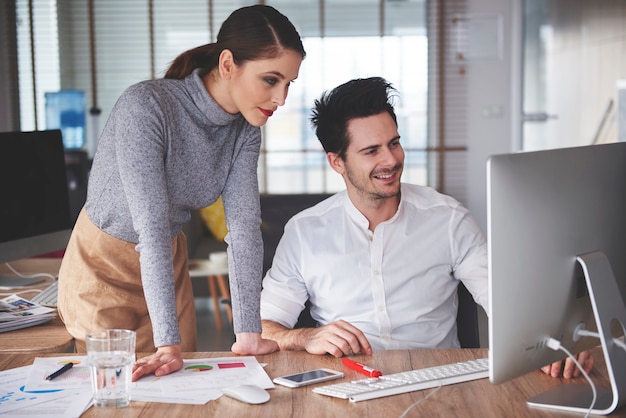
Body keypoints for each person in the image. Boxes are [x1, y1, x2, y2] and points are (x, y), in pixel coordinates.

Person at [260, 77, 593, 379]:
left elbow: (504, 300)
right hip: (345, 380)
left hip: (439, 379)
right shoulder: (305, 231)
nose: (391, 160)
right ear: (337, 161)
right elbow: (262, 329)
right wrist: (306, 336)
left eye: (394, 143)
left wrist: (556, 338)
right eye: (371, 151)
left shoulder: (447, 218)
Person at [57, 5, 305, 381]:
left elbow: (243, 231)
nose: (281, 99)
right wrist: (167, 345)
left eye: (289, 84)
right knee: (114, 389)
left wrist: (249, 333)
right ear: (227, 65)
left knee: (180, 387)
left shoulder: (246, 130)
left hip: (167, 261)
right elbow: (151, 228)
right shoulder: (147, 106)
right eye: (271, 80)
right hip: (102, 267)